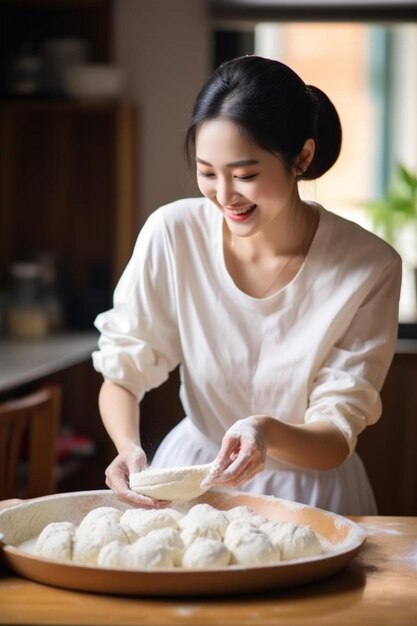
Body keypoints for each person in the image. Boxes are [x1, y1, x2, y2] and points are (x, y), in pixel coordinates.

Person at [92, 55, 401, 515]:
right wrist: (128, 448)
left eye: (246, 175)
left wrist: (266, 433)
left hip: (311, 495)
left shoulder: (368, 267)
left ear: (303, 157)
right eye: (207, 172)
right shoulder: (173, 234)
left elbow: (336, 436)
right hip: (195, 480)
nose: (224, 194)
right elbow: (121, 374)